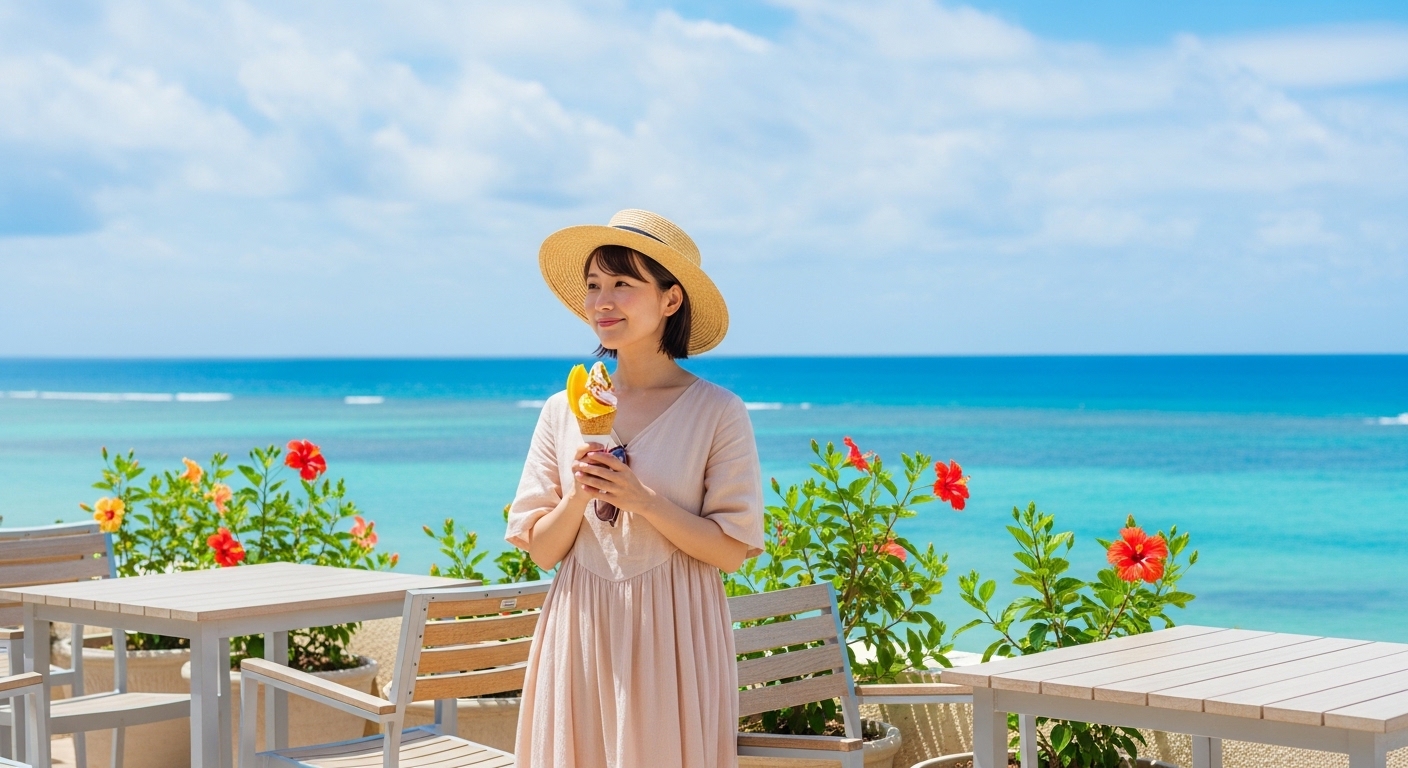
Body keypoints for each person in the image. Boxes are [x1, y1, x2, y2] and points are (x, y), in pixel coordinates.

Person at [506, 209, 765, 768]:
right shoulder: (561, 409)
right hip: (578, 628)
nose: (603, 301)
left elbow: (731, 551)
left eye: (623, 283)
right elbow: (544, 551)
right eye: (593, 285)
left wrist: (643, 500)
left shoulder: (719, 412)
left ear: (671, 299)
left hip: (676, 632)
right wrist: (580, 494)